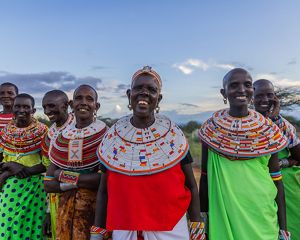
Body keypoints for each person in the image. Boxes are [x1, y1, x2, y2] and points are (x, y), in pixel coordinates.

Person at [92, 66, 205, 240]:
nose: (144, 93)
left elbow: (191, 185)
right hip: (124, 228)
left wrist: (197, 230)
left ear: (158, 99)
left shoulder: (175, 138)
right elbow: (104, 191)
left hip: (171, 229)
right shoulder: (112, 139)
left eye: (151, 90)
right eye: (138, 88)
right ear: (129, 95)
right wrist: (97, 233)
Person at [198, 68, 290, 240]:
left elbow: (277, 180)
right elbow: (204, 177)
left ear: (252, 91)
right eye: (234, 85)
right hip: (223, 216)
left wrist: (284, 230)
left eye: (247, 85)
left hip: (262, 215)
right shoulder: (211, 131)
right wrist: (202, 220)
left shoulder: (269, 131)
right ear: (223, 92)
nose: (241, 90)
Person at [44, 84, 107, 240]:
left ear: (96, 106)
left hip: (94, 212)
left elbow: (102, 181)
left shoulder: (106, 137)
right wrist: (77, 180)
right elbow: (48, 184)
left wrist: (63, 175)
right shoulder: (61, 139)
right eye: (78, 98)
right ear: (72, 105)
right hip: (64, 211)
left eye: (89, 99)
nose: (84, 102)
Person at [253, 79, 300, 240]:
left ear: (275, 97)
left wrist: (280, 163)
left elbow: (298, 157)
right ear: (251, 97)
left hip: (285, 186)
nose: (265, 99)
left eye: (269, 95)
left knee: (290, 229)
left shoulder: (283, 125)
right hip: (256, 185)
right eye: (259, 95)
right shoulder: (245, 123)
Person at [0, 93, 48, 239]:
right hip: (9, 188)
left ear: (33, 111)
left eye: (26, 107)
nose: (21, 110)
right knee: (6, 228)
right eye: (18, 106)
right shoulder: (6, 132)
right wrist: (9, 167)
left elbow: (47, 164)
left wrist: (21, 170)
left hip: (34, 187)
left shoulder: (43, 131)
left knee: (31, 229)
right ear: (12, 109)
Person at [41, 90, 75, 239]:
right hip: (55, 199)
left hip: (80, 195)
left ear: (66, 105)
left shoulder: (80, 128)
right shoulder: (49, 135)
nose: (47, 111)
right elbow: (48, 172)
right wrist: (48, 211)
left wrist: (64, 180)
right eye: (44, 107)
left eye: (52, 106)